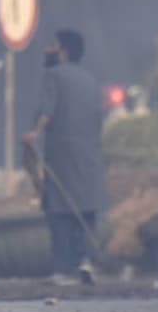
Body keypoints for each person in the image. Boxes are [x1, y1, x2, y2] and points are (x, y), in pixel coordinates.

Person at [22, 29, 105, 286]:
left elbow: (47, 110)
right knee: (85, 208)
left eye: (53, 46)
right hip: (90, 156)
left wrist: (33, 134)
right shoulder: (91, 80)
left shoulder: (54, 75)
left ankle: (63, 269)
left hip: (62, 158)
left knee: (58, 208)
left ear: (64, 52)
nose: (48, 50)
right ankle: (85, 261)